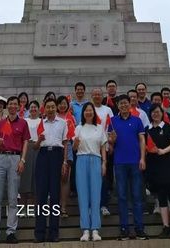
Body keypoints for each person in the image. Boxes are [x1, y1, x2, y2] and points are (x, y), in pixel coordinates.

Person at [0, 96, 30, 244]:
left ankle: (11, 231)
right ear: (8, 106)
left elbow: (26, 142)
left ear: (18, 107)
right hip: (0, 158)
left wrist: (22, 160)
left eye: (15, 104)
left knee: (13, 198)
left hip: (15, 158)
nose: (12, 106)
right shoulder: (0, 124)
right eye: (10, 104)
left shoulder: (23, 123)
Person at [108, 94, 148, 241]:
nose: (123, 106)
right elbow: (110, 146)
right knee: (122, 196)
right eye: (121, 104)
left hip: (135, 162)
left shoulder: (137, 120)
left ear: (130, 104)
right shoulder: (112, 121)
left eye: (126, 103)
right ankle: (124, 228)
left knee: (137, 196)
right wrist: (111, 141)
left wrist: (142, 158)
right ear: (117, 106)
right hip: (119, 163)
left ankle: (139, 229)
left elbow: (142, 140)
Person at [34, 98, 68, 243]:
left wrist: (64, 162)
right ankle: (39, 232)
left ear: (56, 108)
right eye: (48, 107)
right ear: (45, 108)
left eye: (53, 106)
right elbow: (35, 147)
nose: (50, 109)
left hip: (57, 156)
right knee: (41, 195)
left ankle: (54, 232)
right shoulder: (40, 123)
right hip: (42, 156)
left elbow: (65, 143)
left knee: (55, 195)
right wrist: (39, 140)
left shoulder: (63, 123)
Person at [145, 104, 170, 238]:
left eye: (158, 112)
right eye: (153, 112)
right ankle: (165, 226)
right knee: (161, 197)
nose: (155, 114)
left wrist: (163, 151)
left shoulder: (167, 127)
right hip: (154, 166)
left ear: (162, 113)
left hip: (168, 165)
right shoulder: (147, 129)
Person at [74, 102, 107, 241]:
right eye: (86, 110)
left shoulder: (99, 128)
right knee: (83, 196)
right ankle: (85, 230)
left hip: (96, 160)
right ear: (83, 113)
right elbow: (74, 148)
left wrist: (104, 163)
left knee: (95, 195)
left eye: (90, 110)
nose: (88, 112)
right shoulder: (78, 128)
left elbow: (103, 146)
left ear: (94, 113)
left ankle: (95, 229)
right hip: (81, 160)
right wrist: (75, 143)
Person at [91, 88, 113, 216]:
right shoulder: (89, 109)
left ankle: (104, 204)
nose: (97, 96)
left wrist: (111, 144)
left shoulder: (107, 110)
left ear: (102, 96)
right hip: (90, 148)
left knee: (103, 178)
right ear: (92, 96)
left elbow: (111, 128)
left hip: (104, 147)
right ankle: (92, 205)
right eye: (95, 94)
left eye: (99, 94)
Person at [56, 95, 75, 218]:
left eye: (64, 103)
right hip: (56, 148)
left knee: (65, 178)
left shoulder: (71, 118)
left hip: (67, 148)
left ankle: (63, 207)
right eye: (60, 103)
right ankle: (56, 205)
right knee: (55, 178)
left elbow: (74, 135)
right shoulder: (53, 117)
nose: (62, 105)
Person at [20, 100, 41, 211]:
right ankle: (23, 208)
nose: (33, 109)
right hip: (26, 148)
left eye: (35, 107)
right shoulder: (24, 121)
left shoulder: (42, 121)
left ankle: (33, 208)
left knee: (36, 178)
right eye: (31, 107)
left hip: (38, 147)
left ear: (38, 109)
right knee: (25, 177)